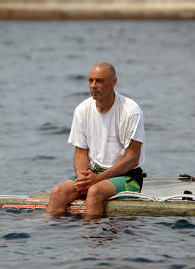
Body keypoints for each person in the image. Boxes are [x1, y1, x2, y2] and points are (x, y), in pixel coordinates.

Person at [46, 61, 145, 220]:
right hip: (93, 175)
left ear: (114, 82)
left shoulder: (131, 111)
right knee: (58, 192)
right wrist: (82, 179)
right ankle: (49, 237)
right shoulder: (82, 110)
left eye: (99, 81)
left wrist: (96, 180)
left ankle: (91, 238)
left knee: (95, 191)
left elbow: (133, 158)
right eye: (90, 80)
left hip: (128, 177)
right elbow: (80, 152)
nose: (93, 85)